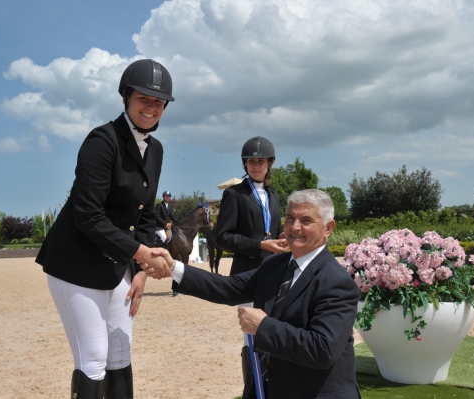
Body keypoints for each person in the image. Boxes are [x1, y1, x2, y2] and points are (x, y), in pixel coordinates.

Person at [35, 58, 174, 399]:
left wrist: (140, 269)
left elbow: (143, 216)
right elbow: (88, 215)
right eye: (144, 98)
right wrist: (141, 253)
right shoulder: (102, 140)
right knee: (94, 357)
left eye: (158, 102)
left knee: (120, 354)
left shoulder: (155, 150)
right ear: (127, 97)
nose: (151, 107)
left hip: (118, 262)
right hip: (76, 263)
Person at [146, 189, 362, 399]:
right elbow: (228, 288)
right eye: (289, 218)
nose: (294, 227)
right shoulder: (274, 266)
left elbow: (322, 350)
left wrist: (263, 326)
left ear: (328, 228)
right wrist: (173, 267)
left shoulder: (337, 283)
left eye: (306, 220)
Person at [214, 136, 286, 381]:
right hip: (247, 274)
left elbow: (274, 233)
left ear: (269, 164)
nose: (256, 165)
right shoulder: (234, 195)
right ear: (245, 164)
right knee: (251, 333)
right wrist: (259, 245)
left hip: (274, 273)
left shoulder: (275, 196)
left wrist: (282, 239)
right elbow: (222, 237)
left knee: (270, 330)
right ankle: (252, 389)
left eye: (261, 161)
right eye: (251, 161)